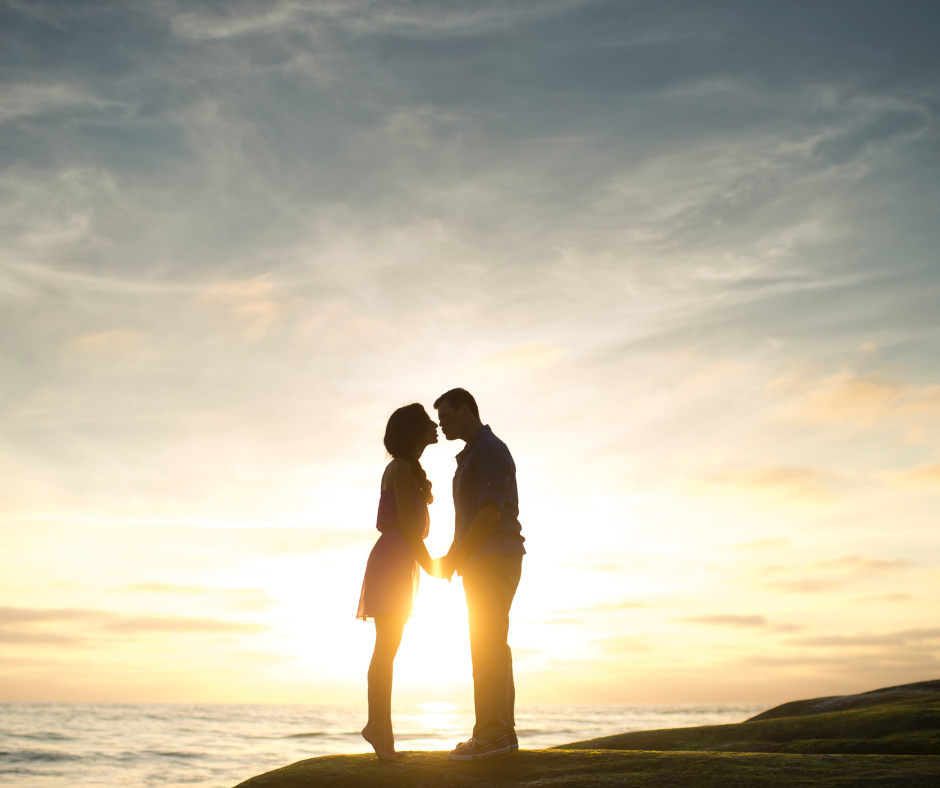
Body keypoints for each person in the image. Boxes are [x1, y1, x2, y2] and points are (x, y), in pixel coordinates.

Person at [433, 388, 526, 760]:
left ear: (466, 410)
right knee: (491, 644)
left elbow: (488, 513)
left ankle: (490, 735)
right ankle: (501, 733)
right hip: (485, 558)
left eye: (447, 418)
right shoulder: (474, 453)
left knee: (487, 645)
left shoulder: (488, 450)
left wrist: (455, 557)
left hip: (493, 557)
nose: (441, 426)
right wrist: (456, 556)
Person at [357, 403, 445, 761]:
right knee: (386, 648)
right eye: (428, 422)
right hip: (396, 556)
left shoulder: (405, 467)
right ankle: (379, 729)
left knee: (387, 647)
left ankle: (379, 728)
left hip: (398, 556)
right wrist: (433, 567)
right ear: (414, 431)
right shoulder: (403, 468)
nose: (435, 425)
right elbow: (409, 526)